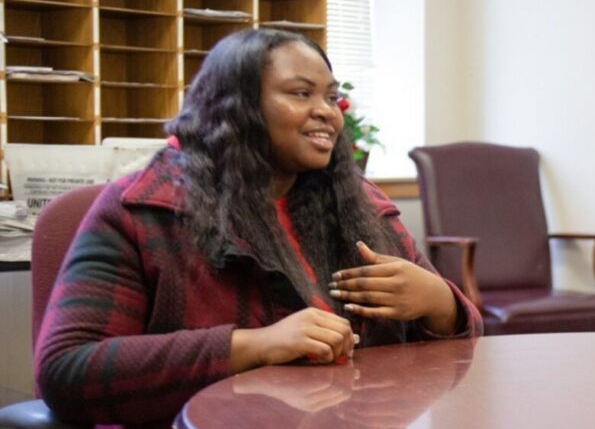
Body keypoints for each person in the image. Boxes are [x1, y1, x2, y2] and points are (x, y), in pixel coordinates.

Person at [35, 28, 483, 427]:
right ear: (238, 107)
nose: (326, 112)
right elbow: (68, 370)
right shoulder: (144, 207)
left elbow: (465, 350)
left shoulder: (361, 203)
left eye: (330, 97)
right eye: (300, 93)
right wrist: (253, 346)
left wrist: (441, 303)